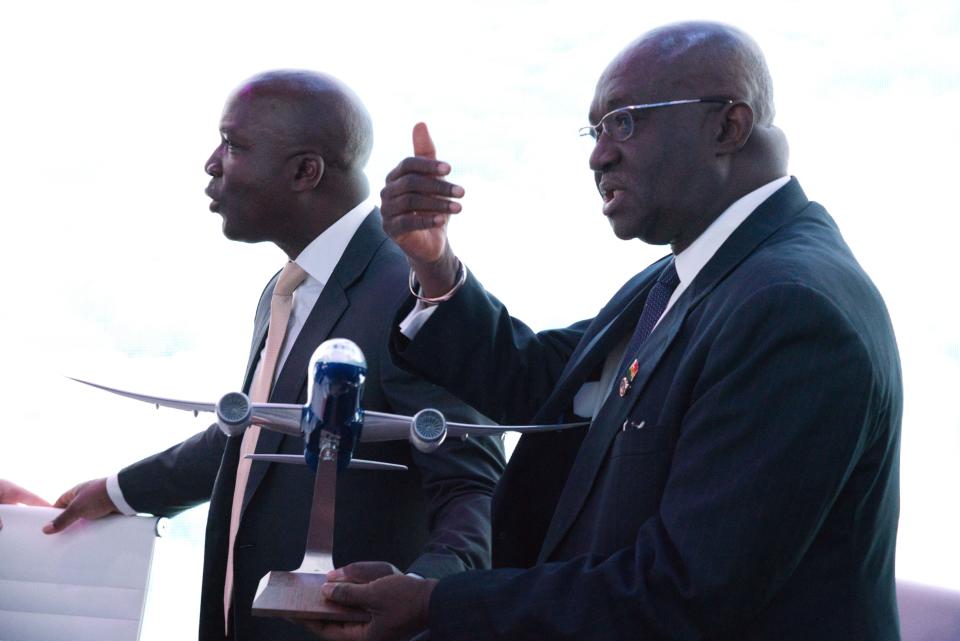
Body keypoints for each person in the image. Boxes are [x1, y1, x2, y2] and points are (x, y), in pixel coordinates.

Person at [315, 21, 903, 641]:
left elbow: (682, 592)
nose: (599, 154)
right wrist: (434, 267)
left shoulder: (791, 309)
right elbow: (544, 381)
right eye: (595, 130)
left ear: (728, 127)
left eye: (625, 121)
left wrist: (437, 604)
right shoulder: (694, 272)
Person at [43, 70, 505, 641]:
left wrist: (424, 599)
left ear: (305, 172)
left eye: (233, 146)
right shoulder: (286, 289)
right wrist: (117, 491)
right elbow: (258, 429)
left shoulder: (416, 297)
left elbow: (473, 490)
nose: (212, 164)